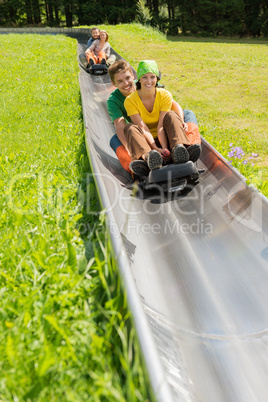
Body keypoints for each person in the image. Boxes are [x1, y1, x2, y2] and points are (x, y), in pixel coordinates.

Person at [107, 60, 201, 176]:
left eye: (127, 78)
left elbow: (172, 104)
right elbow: (121, 127)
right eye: (120, 81)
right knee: (116, 139)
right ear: (114, 83)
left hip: (163, 127)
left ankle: (186, 148)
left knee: (187, 113)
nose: (126, 83)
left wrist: (181, 121)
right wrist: (130, 149)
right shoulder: (115, 101)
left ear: (133, 76)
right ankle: (138, 165)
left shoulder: (146, 83)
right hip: (141, 132)